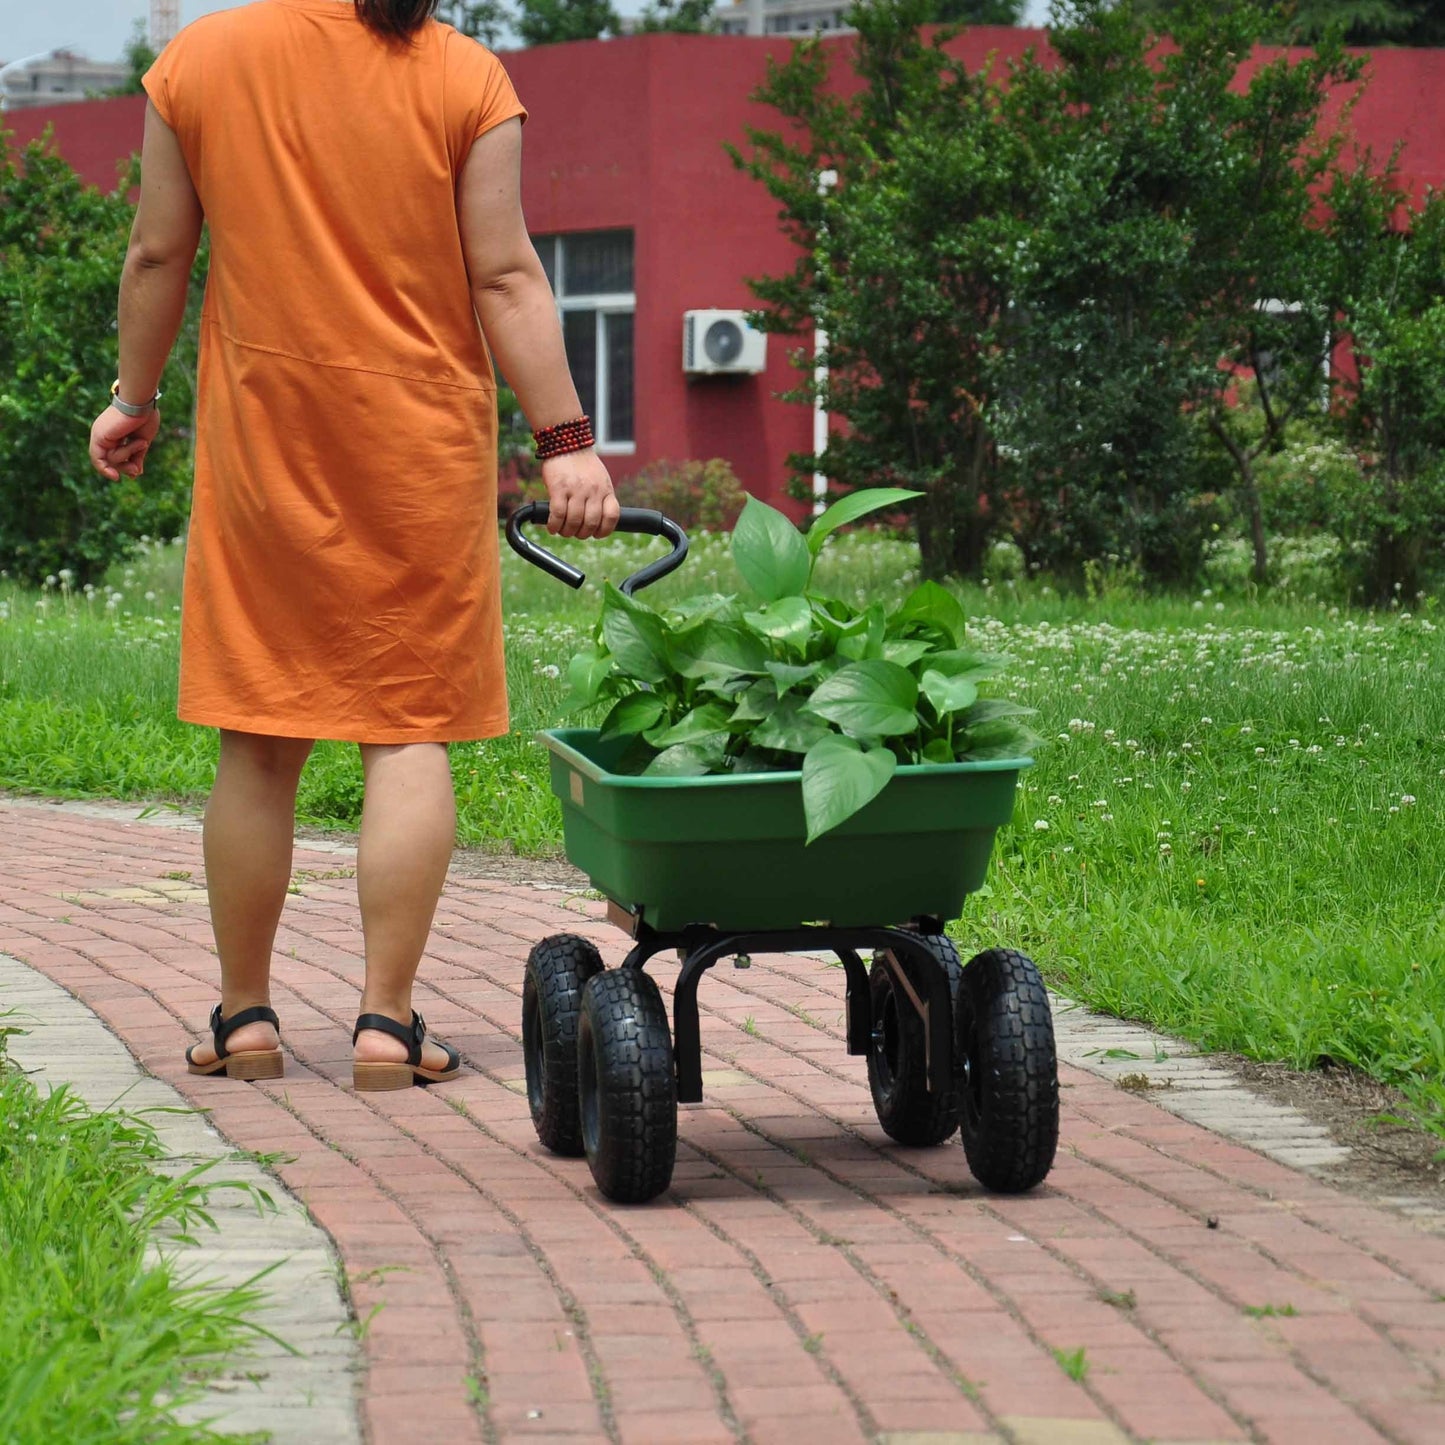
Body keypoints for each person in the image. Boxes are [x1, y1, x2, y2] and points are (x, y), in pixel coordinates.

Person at [86, 0, 618, 1091]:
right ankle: (387, 1022)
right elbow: (507, 275)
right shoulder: (465, 79)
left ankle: (243, 1019)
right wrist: (566, 442)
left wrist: (131, 397)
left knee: (260, 732)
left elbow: (156, 251)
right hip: (419, 450)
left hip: (262, 448)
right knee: (406, 729)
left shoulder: (199, 62)